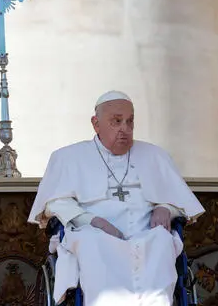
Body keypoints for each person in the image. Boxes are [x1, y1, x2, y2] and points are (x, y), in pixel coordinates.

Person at [28, 90, 205, 306]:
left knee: (162, 240)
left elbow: (181, 201)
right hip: (94, 233)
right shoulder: (68, 157)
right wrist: (93, 221)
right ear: (96, 124)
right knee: (92, 242)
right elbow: (54, 203)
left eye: (130, 122)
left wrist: (166, 208)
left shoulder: (155, 155)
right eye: (116, 121)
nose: (125, 129)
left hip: (146, 235)